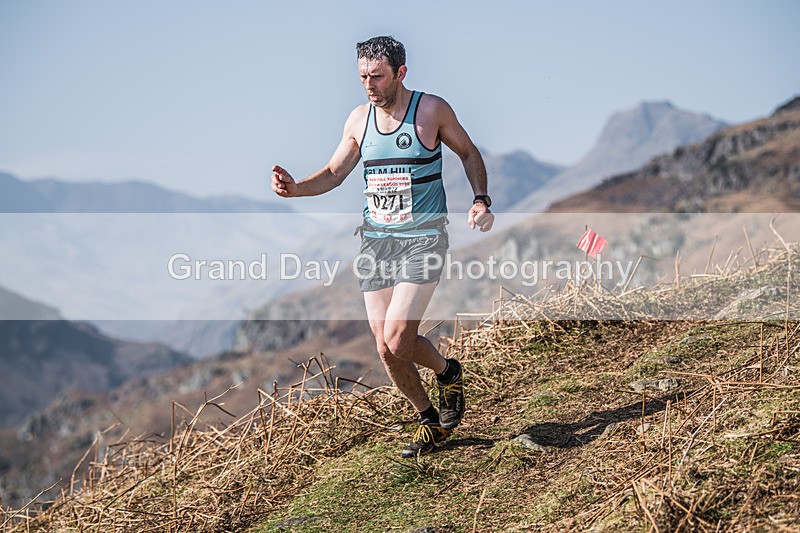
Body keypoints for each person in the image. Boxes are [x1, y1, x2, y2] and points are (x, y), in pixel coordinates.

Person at [271, 36, 493, 457]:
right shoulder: (359, 119)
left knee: (398, 337)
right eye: (362, 77)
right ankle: (430, 419)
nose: (369, 85)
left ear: (400, 73)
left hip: (423, 238)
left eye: (377, 76)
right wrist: (296, 189)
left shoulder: (431, 110)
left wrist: (481, 199)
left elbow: (468, 152)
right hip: (376, 243)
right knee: (385, 348)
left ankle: (447, 373)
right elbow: (335, 173)